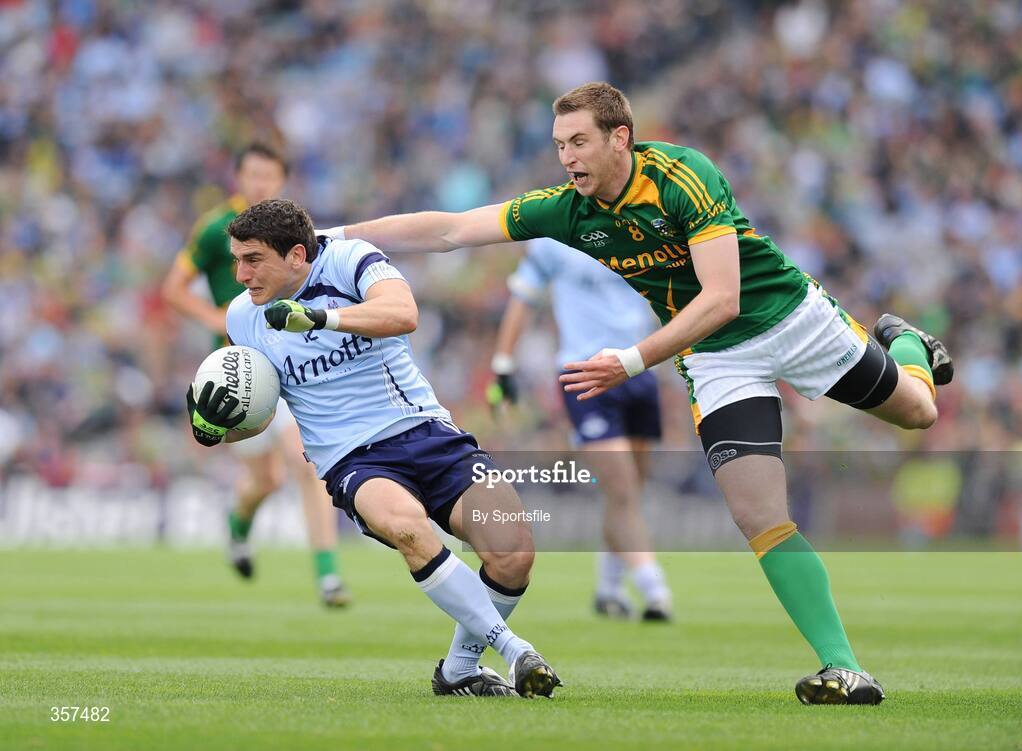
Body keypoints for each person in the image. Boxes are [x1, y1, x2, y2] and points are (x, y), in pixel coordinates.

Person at [324, 81, 956, 705]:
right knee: (757, 515)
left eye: (578, 142)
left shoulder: (683, 175)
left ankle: (905, 345)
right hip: (716, 359)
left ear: (619, 138)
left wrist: (628, 362)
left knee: (917, 412)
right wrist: (335, 237)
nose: (566, 157)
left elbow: (722, 298)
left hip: (790, 320)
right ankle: (843, 668)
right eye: (558, 144)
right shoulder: (569, 211)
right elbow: (451, 231)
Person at [186, 198, 561, 698]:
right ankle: (515, 651)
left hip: (426, 432)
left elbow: (404, 313)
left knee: (513, 553)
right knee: (407, 527)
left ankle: (457, 670)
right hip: (352, 460)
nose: (240, 274)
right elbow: (258, 415)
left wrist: (320, 319)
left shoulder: (350, 258)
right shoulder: (242, 318)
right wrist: (216, 428)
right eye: (236, 260)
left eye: (252, 260)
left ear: (296, 255)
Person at [162, 143, 351, 607]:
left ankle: (328, 577)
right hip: (237, 371)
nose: (260, 184)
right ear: (238, 178)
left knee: (303, 462)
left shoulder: (291, 232)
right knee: (264, 481)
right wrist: (216, 320)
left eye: (269, 176)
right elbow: (173, 289)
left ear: (281, 181)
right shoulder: (214, 231)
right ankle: (238, 527)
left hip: (286, 362)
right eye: (252, 174)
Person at [488, 236, 672, 620]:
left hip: (638, 368)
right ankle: (654, 588)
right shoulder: (555, 238)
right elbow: (523, 299)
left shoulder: (638, 226)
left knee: (630, 491)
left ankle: (608, 587)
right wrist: (504, 365)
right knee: (622, 489)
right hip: (583, 372)